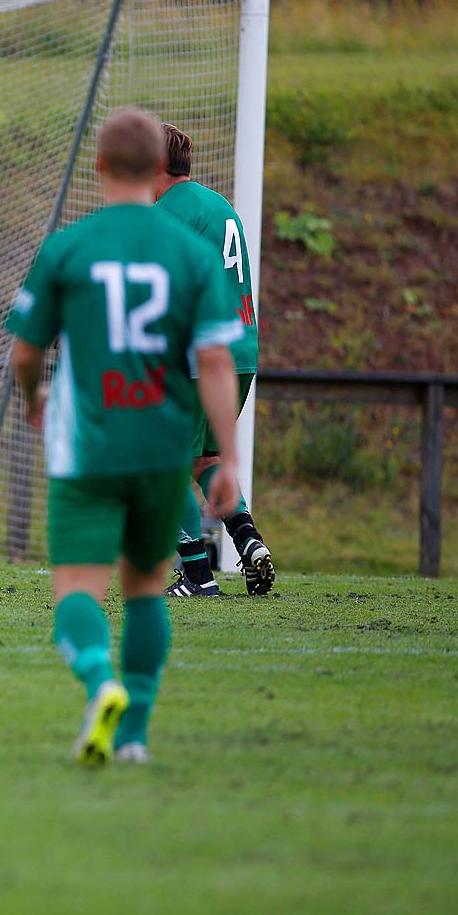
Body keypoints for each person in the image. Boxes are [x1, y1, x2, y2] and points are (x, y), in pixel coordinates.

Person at [6, 107, 246, 767]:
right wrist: (225, 456)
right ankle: (135, 735)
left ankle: (98, 680)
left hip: (89, 450)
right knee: (147, 592)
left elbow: (26, 353)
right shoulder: (193, 256)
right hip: (164, 451)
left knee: (78, 595)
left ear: (102, 166)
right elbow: (217, 362)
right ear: (163, 168)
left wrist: (35, 399)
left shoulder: (68, 248)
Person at [153, 122, 274, 597]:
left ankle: (199, 578)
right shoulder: (218, 205)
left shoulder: (166, 214)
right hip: (243, 352)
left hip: (200, 356)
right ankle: (249, 543)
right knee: (205, 458)